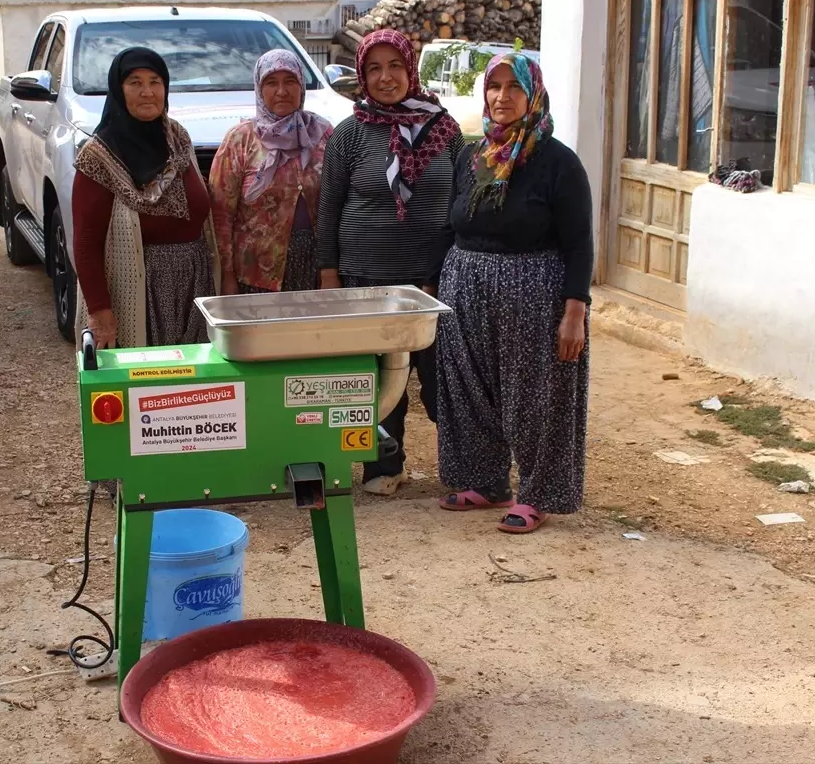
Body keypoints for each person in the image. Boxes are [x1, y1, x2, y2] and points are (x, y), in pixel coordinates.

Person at [434, 52, 592, 534]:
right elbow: (451, 223)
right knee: (469, 391)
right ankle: (485, 481)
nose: (502, 97)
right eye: (494, 86)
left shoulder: (558, 162)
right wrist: (432, 288)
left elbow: (580, 243)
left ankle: (539, 493)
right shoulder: (471, 154)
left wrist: (574, 312)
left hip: (534, 290)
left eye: (514, 88)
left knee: (535, 396)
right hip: (465, 286)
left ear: (533, 95)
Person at [316, 29, 464, 496]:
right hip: (366, 281)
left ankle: (465, 469)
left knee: (446, 381)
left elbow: (462, 201)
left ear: (411, 68)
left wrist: (449, 272)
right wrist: (329, 275)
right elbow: (328, 208)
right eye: (374, 68)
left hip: (433, 284)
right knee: (379, 384)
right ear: (361, 74)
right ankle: (385, 466)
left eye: (395, 66)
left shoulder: (445, 129)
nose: (385, 78)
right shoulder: (350, 134)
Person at [71, 47, 219, 349]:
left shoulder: (177, 137)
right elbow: (86, 243)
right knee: (146, 390)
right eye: (135, 83)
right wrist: (100, 313)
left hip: (195, 284)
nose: (147, 92)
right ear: (118, 90)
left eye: (155, 82)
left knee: (195, 388)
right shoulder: (99, 156)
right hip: (137, 291)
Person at [209, 50, 333, 295]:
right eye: (271, 82)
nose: (282, 91)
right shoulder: (240, 140)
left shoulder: (322, 134)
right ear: (258, 87)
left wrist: (331, 270)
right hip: (255, 275)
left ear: (301, 86)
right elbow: (221, 216)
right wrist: (227, 275)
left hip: (314, 270)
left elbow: (337, 206)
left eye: (290, 81)